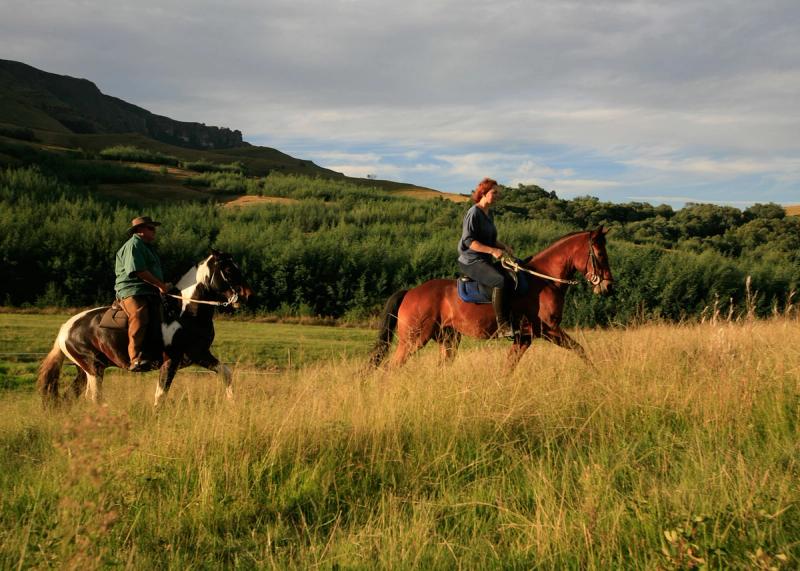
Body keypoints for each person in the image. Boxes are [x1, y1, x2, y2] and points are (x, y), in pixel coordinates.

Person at [457, 178, 514, 338]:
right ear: (483, 193)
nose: (497, 196)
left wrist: (504, 247)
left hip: (484, 260)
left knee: (510, 276)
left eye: (497, 193)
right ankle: (502, 326)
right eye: (494, 192)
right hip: (471, 261)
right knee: (499, 281)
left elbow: (490, 239)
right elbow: (469, 241)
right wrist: (492, 251)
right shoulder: (473, 212)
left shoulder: (489, 214)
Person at [114, 216, 172, 371]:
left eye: (154, 228)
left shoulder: (147, 247)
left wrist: (163, 285)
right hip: (132, 290)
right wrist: (160, 285)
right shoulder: (134, 245)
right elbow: (138, 271)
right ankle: (135, 359)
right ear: (139, 230)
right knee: (139, 315)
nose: (154, 231)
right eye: (150, 228)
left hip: (149, 290)